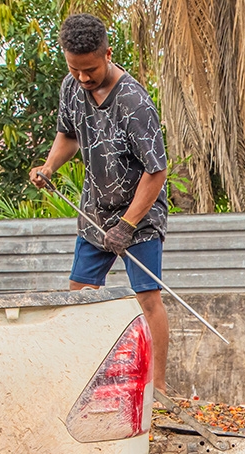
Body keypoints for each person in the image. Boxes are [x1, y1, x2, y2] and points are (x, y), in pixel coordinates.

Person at [31, 13, 170, 392]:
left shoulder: (134, 103)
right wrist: (49, 167)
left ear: (107, 54)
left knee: (148, 299)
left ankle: (157, 389)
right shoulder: (71, 87)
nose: (83, 78)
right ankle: (83, 379)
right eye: (74, 69)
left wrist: (127, 225)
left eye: (90, 69)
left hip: (138, 217)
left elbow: (156, 171)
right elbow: (68, 135)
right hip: (95, 213)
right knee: (79, 295)